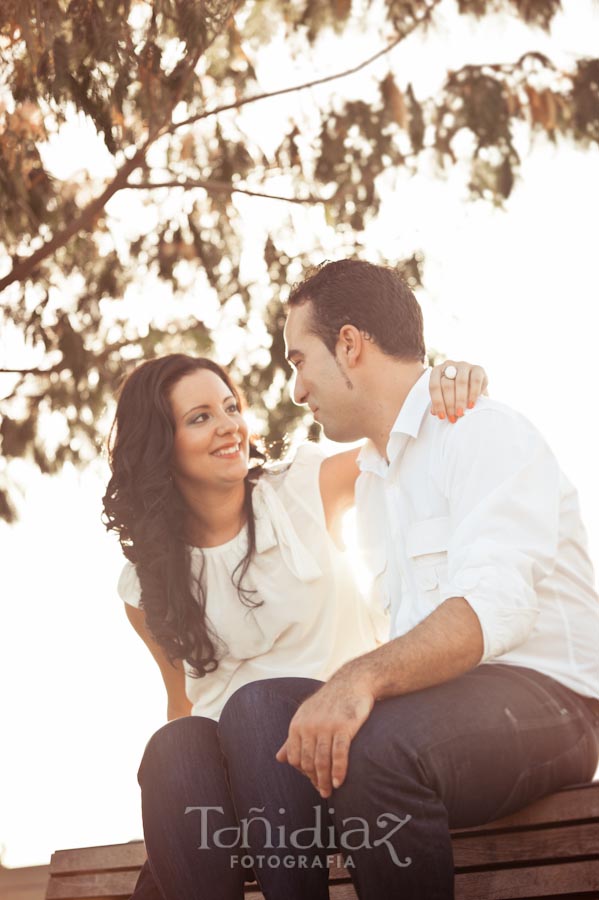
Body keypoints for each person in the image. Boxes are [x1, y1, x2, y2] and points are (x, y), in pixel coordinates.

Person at [223, 258, 599, 900]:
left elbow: (491, 608)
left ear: (349, 343)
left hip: (554, 703)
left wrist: (359, 679)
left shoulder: (482, 430)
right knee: (259, 711)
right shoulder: (372, 480)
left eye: (298, 359)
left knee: (377, 749)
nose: (296, 390)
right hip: (445, 705)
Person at [103, 352, 485, 900]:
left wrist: (443, 380)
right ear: (160, 445)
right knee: (172, 745)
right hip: (234, 808)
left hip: (340, 764)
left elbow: (399, 438)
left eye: (230, 407)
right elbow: (183, 703)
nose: (229, 426)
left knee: (255, 709)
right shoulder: (144, 585)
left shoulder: (303, 488)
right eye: (200, 417)